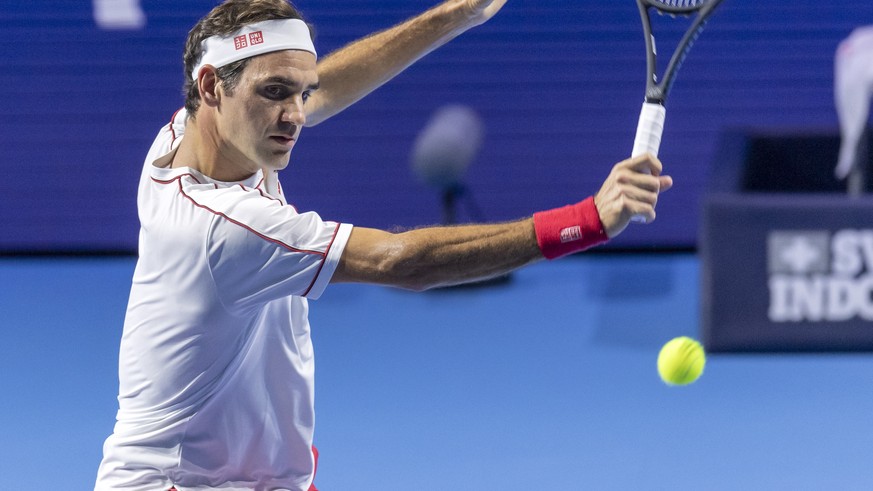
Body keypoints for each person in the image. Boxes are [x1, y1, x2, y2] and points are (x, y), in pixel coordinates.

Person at [94, 0, 672, 490]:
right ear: (211, 86)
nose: (294, 116)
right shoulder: (225, 229)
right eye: (275, 93)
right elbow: (404, 262)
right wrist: (588, 219)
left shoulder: (190, 134)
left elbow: (327, 88)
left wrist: (456, 13)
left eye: (301, 90)